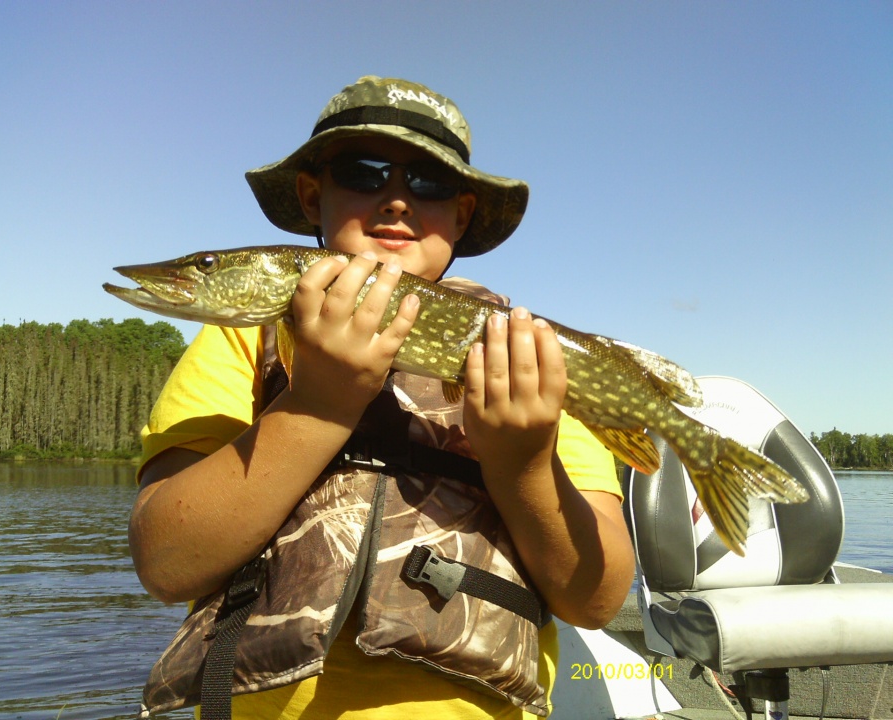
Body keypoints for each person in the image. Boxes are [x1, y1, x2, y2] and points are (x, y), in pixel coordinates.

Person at [129, 76, 635, 720]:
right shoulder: (245, 342)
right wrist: (316, 405)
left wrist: (524, 464)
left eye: (430, 182)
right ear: (313, 196)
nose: (396, 200)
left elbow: (596, 601)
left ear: (463, 213)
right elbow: (167, 564)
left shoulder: (526, 358)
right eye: (364, 173)